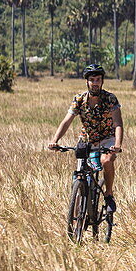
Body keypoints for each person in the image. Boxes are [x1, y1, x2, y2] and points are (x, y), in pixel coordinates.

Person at [48, 64, 124, 213]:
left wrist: (117, 144)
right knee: (80, 174)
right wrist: (55, 140)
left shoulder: (110, 99)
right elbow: (66, 121)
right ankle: (77, 216)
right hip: (86, 140)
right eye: (92, 80)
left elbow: (118, 124)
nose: (95, 83)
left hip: (107, 139)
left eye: (98, 80)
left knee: (106, 160)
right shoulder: (79, 99)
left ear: (102, 82)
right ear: (87, 82)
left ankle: (108, 194)